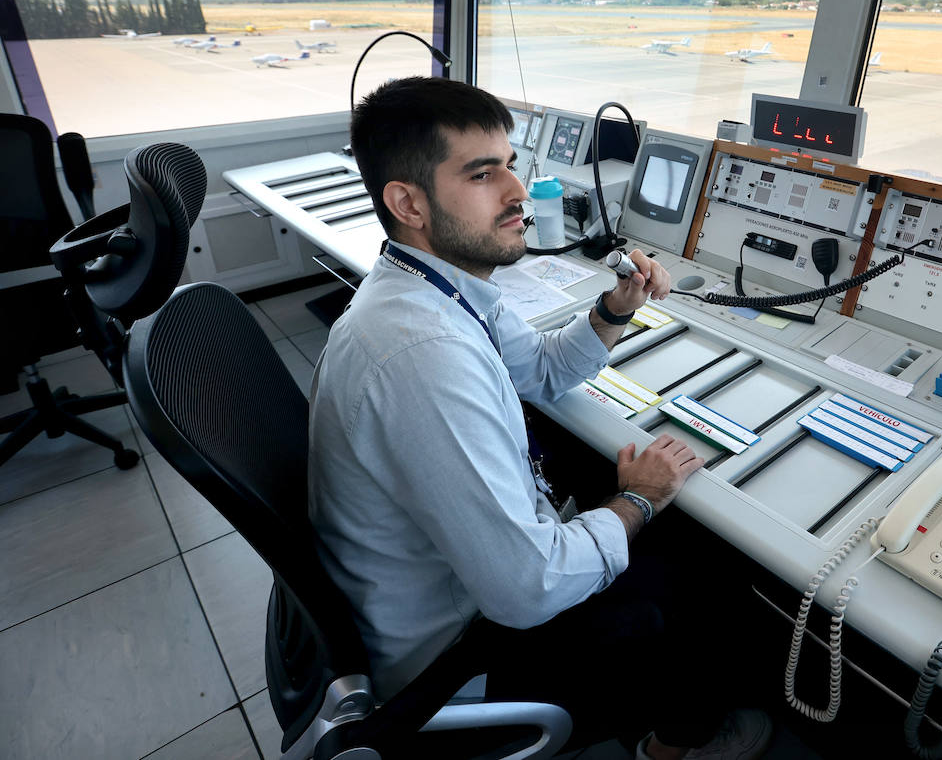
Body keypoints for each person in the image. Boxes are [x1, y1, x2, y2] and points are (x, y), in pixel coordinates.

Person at [308, 77, 771, 759]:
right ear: (407, 201)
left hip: (449, 584)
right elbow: (528, 589)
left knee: (643, 508)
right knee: (709, 567)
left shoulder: (438, 286)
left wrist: (616, 307)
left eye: (511, 164)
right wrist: (638, 499)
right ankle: (677, 742)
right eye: (481, 173)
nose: (518, 192)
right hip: (462, 657)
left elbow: (545, 370)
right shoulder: (422, 356)